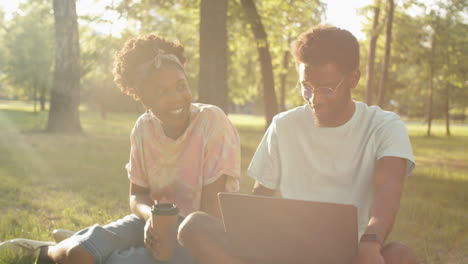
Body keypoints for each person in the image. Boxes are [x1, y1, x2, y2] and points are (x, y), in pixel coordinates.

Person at [177, 25, 417, 264]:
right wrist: (252, 236)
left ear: (354, 78)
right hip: (286, 251)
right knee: (193, 227)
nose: (315, 99)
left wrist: (371, 242)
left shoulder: (384, 126)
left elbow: (389, 190)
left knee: (400, 255)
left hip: (351, 254)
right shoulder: (283, 126)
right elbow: (261, 196)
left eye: (326, 88)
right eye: (306, 87)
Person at [0, 34, 241, 264]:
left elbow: (213, 210)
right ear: (141, 98)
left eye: (181, 86)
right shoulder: (143, 128)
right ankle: (47, 250)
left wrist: (170, 239)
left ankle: (92, 241)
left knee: (113, 261)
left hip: (194, 239)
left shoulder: (211, 121)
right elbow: (137, 194)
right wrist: (150, 219)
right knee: (76, 255)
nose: (177, 98)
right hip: (148, 223)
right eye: (161, 91)